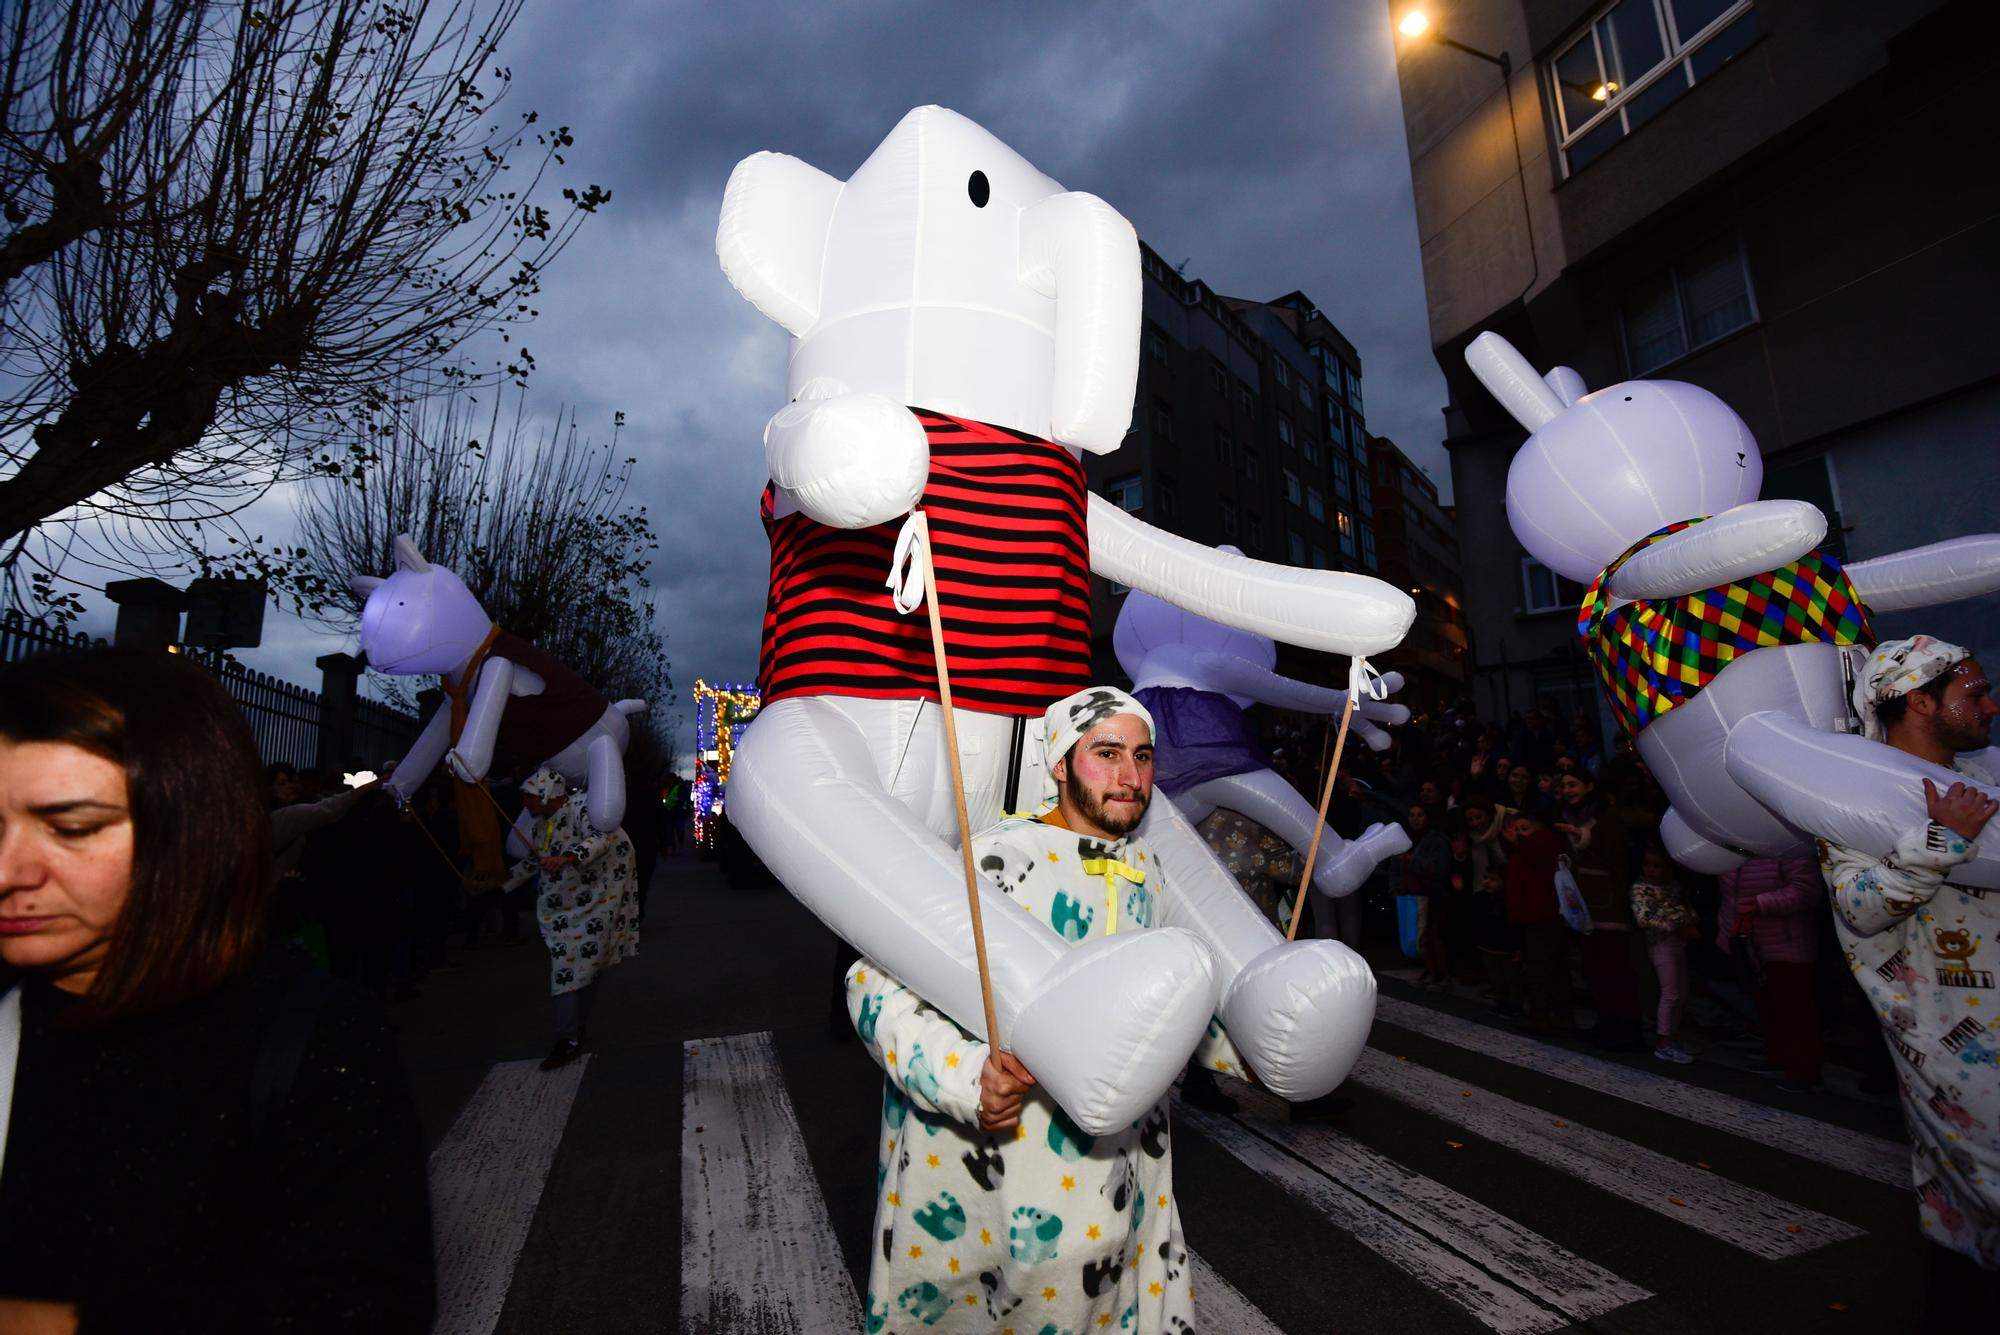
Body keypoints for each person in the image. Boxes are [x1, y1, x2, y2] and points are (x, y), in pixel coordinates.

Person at [0, 649, 433, 1333]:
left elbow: (366, 1298)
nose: (10, 869)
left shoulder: (308, 1041)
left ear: (188, 824)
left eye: (71, 827)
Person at [846, 687, 1247, 1334]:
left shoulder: (1149, 868)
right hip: (987, 1205)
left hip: (1117, 1200)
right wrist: (964, 1075)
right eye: (1107, 753)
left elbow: (1177, 1014)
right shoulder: (993, 860)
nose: (1130, 776)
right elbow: (873, 982)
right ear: (1060, 762)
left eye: (1142, 756)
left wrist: (1260, 1042)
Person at [1821, 636, 2000, 1327]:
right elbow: (1860, 907)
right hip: (1951, 1044)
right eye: (1975, 692)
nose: (1990, 704)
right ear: (1921, 699)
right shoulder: (1851, 792)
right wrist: (1940, 839)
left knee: (1961, 1230)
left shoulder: (1984, 775)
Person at [498, 767, 640, 1069]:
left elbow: (600, 838)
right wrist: (494, 886)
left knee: (570, 971)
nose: (525, 805)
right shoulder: (540, 826)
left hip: (597, 902)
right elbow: (531, 863)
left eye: (529, 798)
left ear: (547, 794)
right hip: (565, 908)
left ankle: (569, 1039)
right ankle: (575, 1029)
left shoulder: (583, 808)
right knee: (581, 971)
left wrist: (568, 857)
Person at [1715, 853, 1826, 1091]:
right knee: (1768, 1005)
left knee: (1795, 1009)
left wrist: (1761, 903)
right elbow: (1730, 897)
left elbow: (1807, 891)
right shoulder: (1732, 847)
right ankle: (1780, 1058)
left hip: (1787, 943)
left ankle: (1805, 1072)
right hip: (1751, 944)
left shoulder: (1786, 845)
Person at [1630, 839, 1698, 1064]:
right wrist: (1678, 922)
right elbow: (1644, 919)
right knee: (1670, 993)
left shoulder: (1674, 887)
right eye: (1648, 865)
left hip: (1678, 942)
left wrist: (1681, 920)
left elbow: (1689, 912)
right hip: (1660, 944)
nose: (1651, 870)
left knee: (1681, 992)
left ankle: (1672, 1035)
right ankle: (1662, 1042)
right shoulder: (1640, 889)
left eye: (1657, 865)